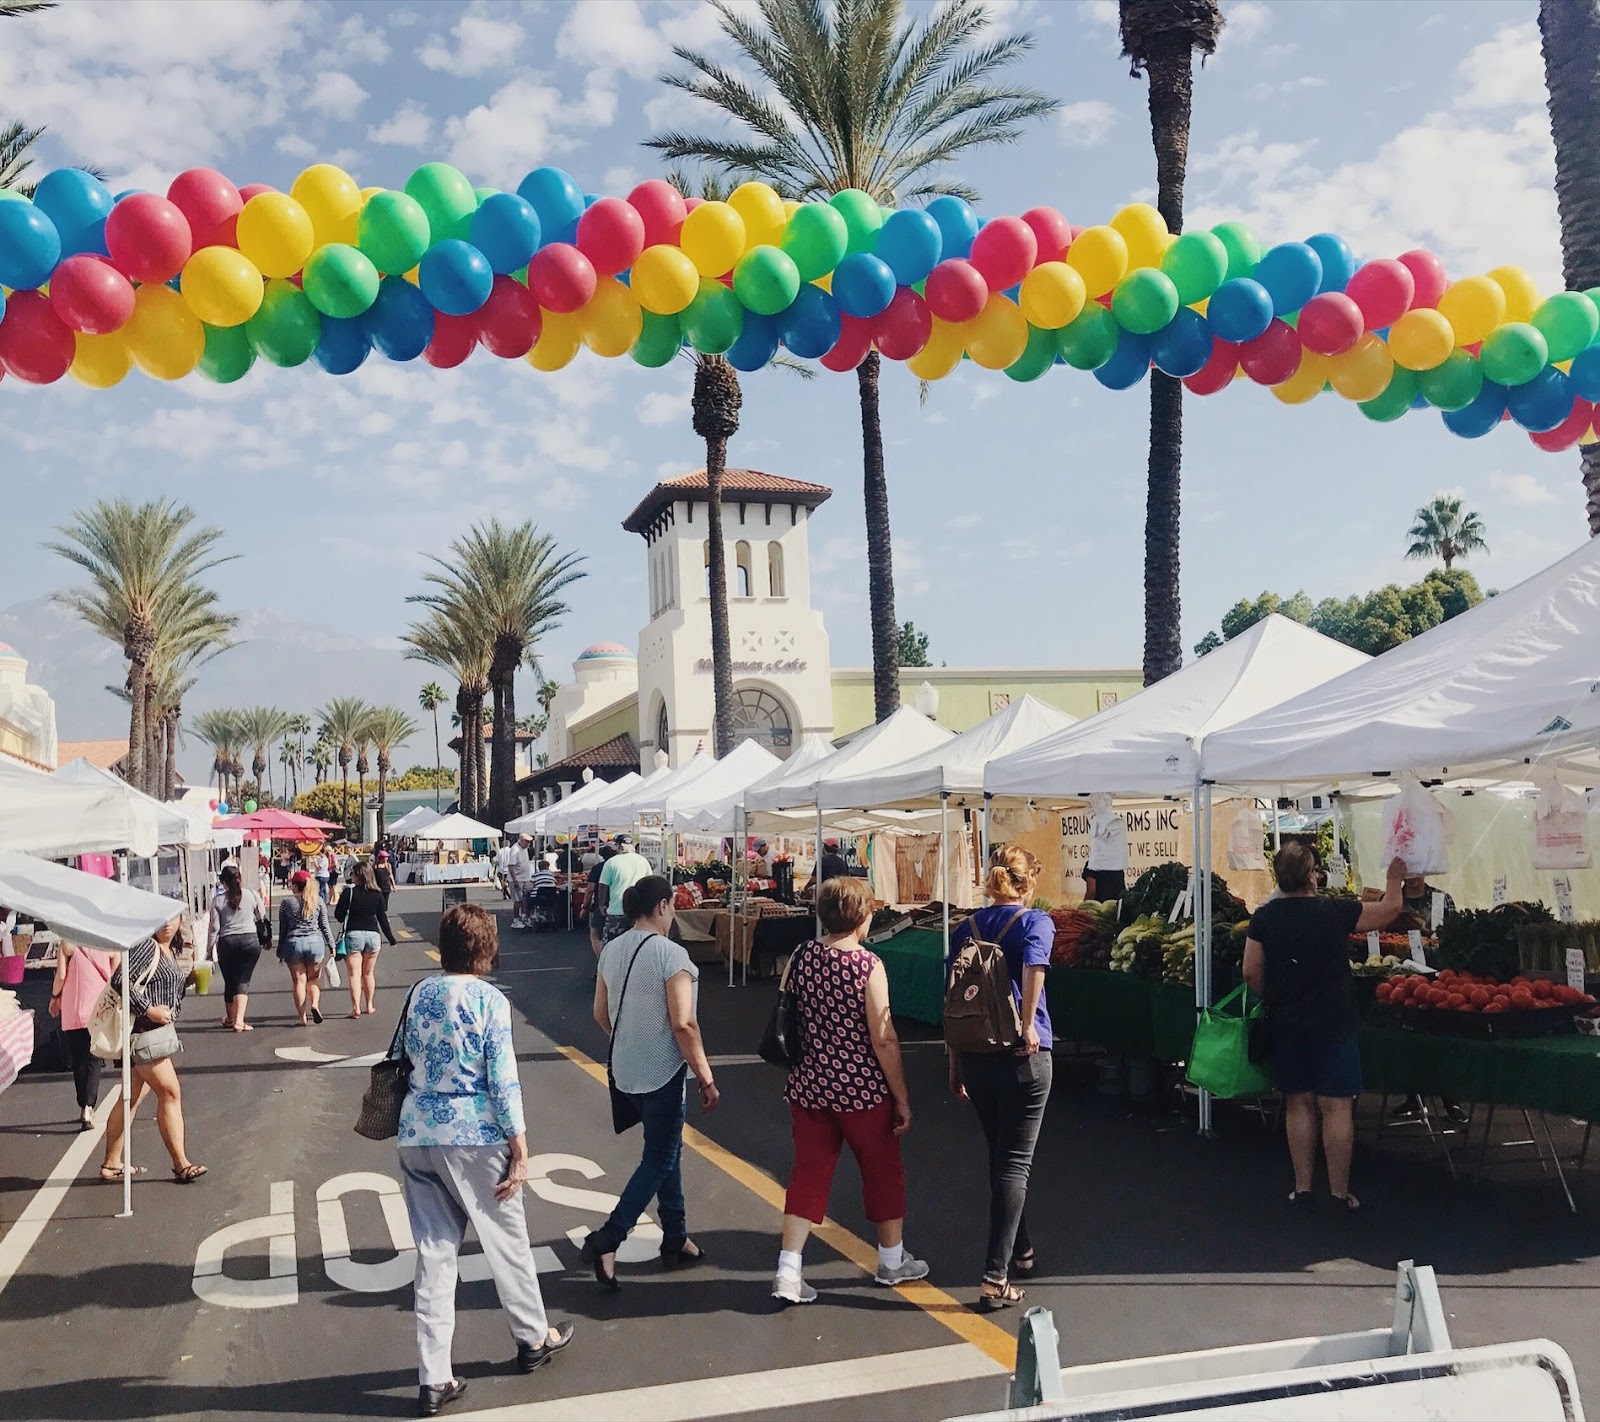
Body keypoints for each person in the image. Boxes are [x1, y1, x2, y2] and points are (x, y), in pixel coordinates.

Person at [399, 903, 573, 1417]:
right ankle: (532, 1337)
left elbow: (410, 1053)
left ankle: (434, 1377)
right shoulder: (489, 1000)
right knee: (507, 1241)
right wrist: (519, 1146)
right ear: (485, 948)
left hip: (416, 1131)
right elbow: (502, 1078)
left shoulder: (418, 993)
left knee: (434, 1254)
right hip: (473, 1134)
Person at [774, 877, 925, 1305]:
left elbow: (787, 1008)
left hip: (809, 1083)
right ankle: (891, 1260)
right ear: (862, 917)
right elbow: (883, 1037)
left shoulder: (802, 955)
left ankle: (788, 1269)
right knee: (881, 1169)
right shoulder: (867, 966)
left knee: (808, 1173)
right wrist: (902, 1098)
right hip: (861, 1089)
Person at [1244, 845, 1407, 1211]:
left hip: (1287, 1022)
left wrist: (1274, 997)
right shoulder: (1333, 910)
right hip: (1334, 1020)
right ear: (1311, 875)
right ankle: (1338, 1192)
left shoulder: (1264, 917)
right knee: (1336, 1106)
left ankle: (1303, 1188)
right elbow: (1389, 911)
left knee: (1298, 1102)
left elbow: (1250, 970)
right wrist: (1394, 879)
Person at [583, 876, 717, 1290]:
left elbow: (600, 1013)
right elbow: (684, 1022)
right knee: (659, 1157)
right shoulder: (672, 955)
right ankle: (611, 1236)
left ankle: (675, 1238)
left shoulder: (611, 950)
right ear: (662, 906)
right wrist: (706, 1077)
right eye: (673, 905)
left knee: (666, 1149)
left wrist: (630, 1042)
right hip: (662, 1071)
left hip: (624, 1070)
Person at [946, 845, 1055, 1312]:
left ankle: (1022, 1250)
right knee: (1016, 1164)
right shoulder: (1035, 923)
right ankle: (996, 1273)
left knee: (1001, 1156)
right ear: (1027, 882)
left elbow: (953, 995)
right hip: (1023, 1057)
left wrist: (954, 1061)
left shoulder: (964, 929)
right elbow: (1035, 969)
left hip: (975, 1053)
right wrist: (1028, 1022)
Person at [99, 916, 207, 1184]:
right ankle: (181, 1163)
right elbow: (120, 980)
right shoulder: (147, 946)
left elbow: (161, 986)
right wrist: (148, 1009)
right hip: (145, 1033)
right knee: (170, 1092)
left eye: (172, 918)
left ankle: (112, 1162)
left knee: (131, 1097)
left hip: (152, 1033)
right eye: (161, 919)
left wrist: (188, 981)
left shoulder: (169, 949)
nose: (167, 924)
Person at [49, 937, 114, 1129]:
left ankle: (82, 1104)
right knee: (94, 1060)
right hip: (99, 1011)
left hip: (74, 1009)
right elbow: (115, 978)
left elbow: (61, 976)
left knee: (78, 1059)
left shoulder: (68, 944)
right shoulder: (109, 943)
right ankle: (88, 1106)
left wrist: (54, 998)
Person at [209, 864, 268, 1032]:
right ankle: (239, 1021)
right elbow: (261, 915)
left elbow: (214, 928)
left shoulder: (218, 900)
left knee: (230, 981)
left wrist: (209, 951)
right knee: (243, 980)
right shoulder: (251, 894)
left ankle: (231, 1018)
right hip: (250, 941)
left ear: (223, 882)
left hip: (227, 943)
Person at [335, 863, 398, 1018]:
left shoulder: (348, 893)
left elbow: (339, 916)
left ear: (358, 875)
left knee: (354, 975)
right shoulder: (377, 894)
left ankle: (356, 1008)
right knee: (368, 974)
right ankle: (369, 1005)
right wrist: (390, 938)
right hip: (373, 935)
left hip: (354, 934)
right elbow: (383, 919)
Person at [279, 869, 336, 1026]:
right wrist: (332, 945)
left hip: (294, 943)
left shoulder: (286, 903)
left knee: (299, 981)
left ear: (296, 886)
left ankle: (301, 1017)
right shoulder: (317, 901)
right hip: (315, 943)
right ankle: (315, 1005)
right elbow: (325, 926)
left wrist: (280, 951)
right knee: (313, 979)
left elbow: (283, 929)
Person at [597, 835, 651, 945]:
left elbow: (602, 886)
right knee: (636, 946)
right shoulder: (643, 861)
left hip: (616, 910)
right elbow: (649, 883)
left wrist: (601, 905)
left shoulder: (611, 862)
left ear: (618, 846)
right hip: (637, 911)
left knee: (610, 947)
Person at [587, 844, 617, 956]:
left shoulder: (598, 868)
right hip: (617, 903)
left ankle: (601, 961)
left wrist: (585, 906)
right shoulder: (619, 866)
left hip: (602, 905)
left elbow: (590, 889)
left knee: (595, 934)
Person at [507, 834, 533, 930]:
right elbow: (511, 866)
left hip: (524, 878)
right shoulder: (515, 849)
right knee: (517, 900)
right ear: (521, 840)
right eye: (527, 841)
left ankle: (523, 917)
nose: (528, 844)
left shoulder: (524, 849)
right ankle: (516, 919)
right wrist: (515, 880)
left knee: (523, 899)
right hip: (517, 879)